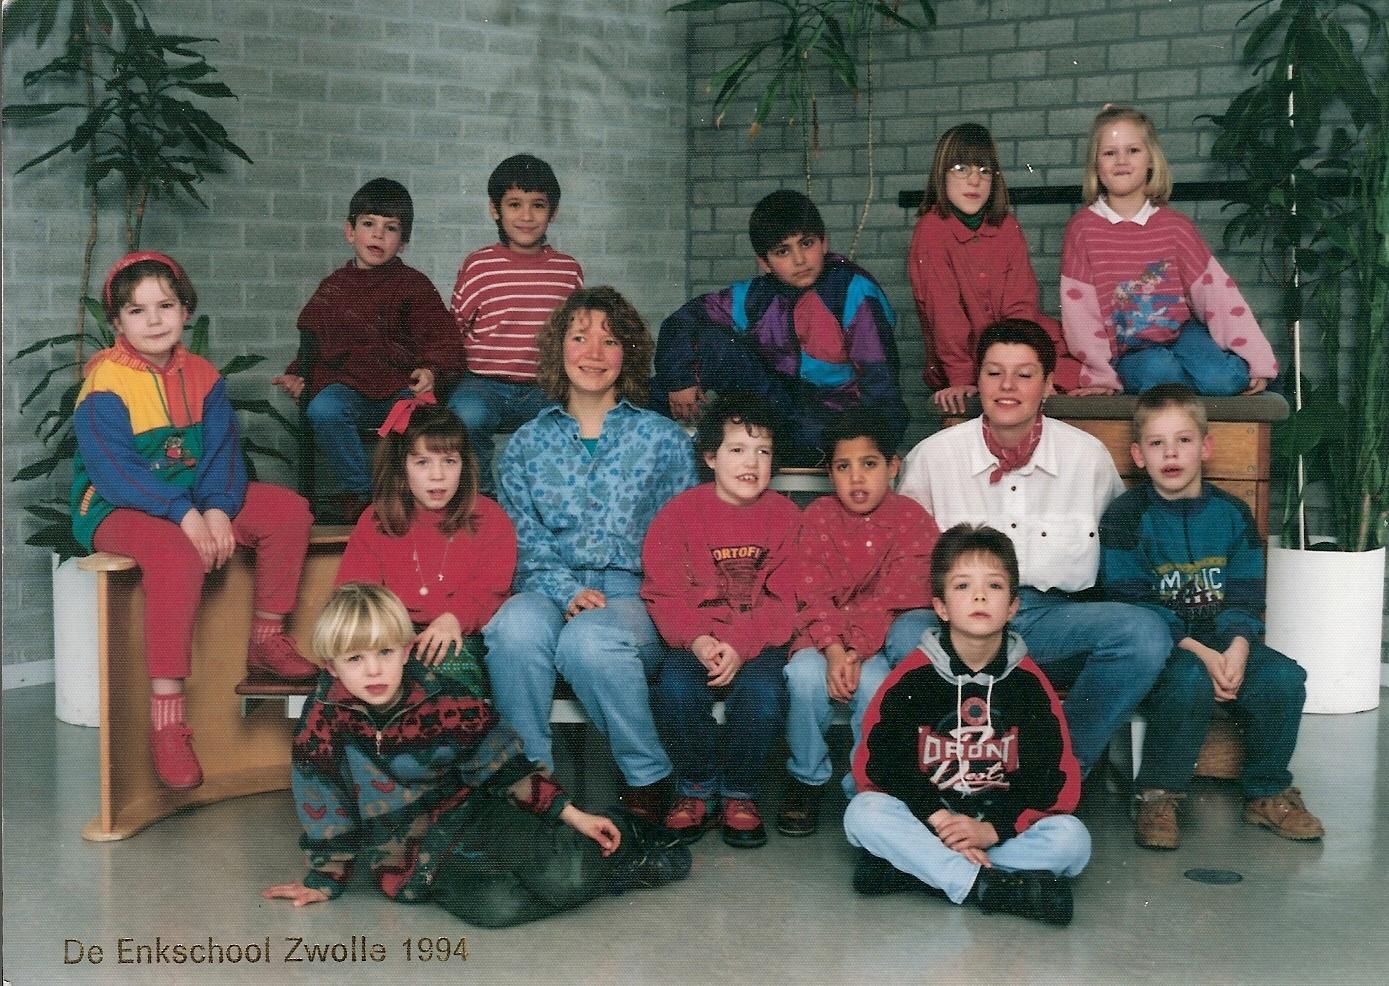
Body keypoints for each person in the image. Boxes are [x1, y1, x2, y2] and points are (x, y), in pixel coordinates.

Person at [260, 583, 691, 928]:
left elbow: (504, 765)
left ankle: (625, 847)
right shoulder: (320, 728)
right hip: (416, 860)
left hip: (480, 815)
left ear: (406, 650)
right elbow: (324, 809)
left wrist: (571, 814)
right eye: (355, 658)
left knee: (562, 875)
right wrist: (324, 879)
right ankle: (581, 867)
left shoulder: (443, 701)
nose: (374, 671)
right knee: (497, 908)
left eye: (385, 653)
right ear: (333, 667)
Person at [72, 251, 315, 790]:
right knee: (175, 553)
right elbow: (115, 473)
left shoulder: (204, 376)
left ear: (186, 312)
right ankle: (168, 719)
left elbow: (222, 457)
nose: (154, 320)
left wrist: (216, 508)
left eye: (166, 305)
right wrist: (184, 514)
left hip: (189, 501)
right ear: (117, 323)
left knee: (288, 511)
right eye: (137, 311)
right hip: (116, 505)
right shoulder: (104, 383)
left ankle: (267, 637)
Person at [890, 318, 1170, 775]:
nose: (1007, 387)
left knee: (1144, 634)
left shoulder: (1087, 457)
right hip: (959, 620)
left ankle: (1054, 768)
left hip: (1052, 619)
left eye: (1024, 374)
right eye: (994, 372)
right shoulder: (933, 457)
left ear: (1047, 385)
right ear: (976, 380)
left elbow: (1124, 556)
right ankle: (963, 768)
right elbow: (902, 558)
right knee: (905, 636)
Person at [486, 286, 698, 822]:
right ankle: (533, 785)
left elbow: (682, 537)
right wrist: (566, 591)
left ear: (628, 353)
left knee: (588, 642)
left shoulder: (664, 439)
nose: (594, 354)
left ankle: (647, 780)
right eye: (580, 339)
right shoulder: (525, 445)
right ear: (560, 350)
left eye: (609, 341)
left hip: (633, 594)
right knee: (512, 632)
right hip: (543, 586)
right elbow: (522, 537)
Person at [1099, 384, 1324, 849]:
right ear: (1139, 456)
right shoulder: (1125, 516)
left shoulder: (1232, 514)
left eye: (1183, 440)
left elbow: (1245, 590)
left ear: (1206, 447)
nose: (1171, 453)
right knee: (1189, 680)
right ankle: (1157, 794)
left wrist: (1239, 646)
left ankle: (1268, 791)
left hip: (1228, 641)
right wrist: (1201, 652)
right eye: (1157, 444)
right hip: (1168, 649)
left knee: (1284, 678)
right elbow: (1130, 597)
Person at [845, 525, 1089, 926]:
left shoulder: (1029, 685)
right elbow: (879, 764)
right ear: (940, 606)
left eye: (993, 585)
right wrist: (938, 820)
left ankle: (918, 872)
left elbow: (1053, 778)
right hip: (929, 824)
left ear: (1012, 606)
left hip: (992, 832)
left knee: (1074, 842)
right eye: (962, 586)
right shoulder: (912, 678)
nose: (978, 596)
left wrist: (992, 830)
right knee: (862, 813)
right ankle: (987, 885)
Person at [642, 395, 800, 848]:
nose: (751, 462)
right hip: (694, 642)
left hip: (757, 641)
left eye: (763, 452)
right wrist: (697, 640)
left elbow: (787, 599)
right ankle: (695, 785)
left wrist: (740, 643)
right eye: (737, 450)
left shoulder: (786, 519)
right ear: (710, 457)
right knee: (672, 691)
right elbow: (663, 593)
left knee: (765, 695)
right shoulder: (678, 517)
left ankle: (739, 790)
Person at [653, 189, 908, 465]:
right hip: (779, 409)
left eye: (806, 244)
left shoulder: (852, 292)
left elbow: (880, 383)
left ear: (824, 243)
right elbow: (681, 322)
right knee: (711, 344)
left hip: (834, 423)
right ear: (764, 262)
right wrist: (680, 380)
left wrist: (874, 451)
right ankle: (642, 440)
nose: (799, 260)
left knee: (827, 432)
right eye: (783, 251)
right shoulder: (756, 296)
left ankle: (803, 453)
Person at [779, 407, 939, 837]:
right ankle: (806, 778)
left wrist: (853, 652)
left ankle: (865, 789)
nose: (856, 479)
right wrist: (833, 650)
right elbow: (811, 592)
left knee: (876, 687)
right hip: (820, 638)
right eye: (843, 467)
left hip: (879, 640)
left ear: (892, 466)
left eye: (869, 465)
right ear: (829, 473)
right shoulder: (818, 517)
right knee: (804, 678)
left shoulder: (912, 520)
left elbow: (898, 598)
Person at [272, 177, 463, 521]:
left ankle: (409, 498)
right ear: (350, 231)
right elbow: (312, 341)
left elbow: (442, 337)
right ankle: (359, 495)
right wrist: (297, 375)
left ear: (402, 242)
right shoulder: (334, 288)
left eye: (390, 228)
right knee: (323, 409)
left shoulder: (413, 285)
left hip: (399, 390)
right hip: (351, 390)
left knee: (421, 420)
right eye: (369, 225)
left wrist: (431, 370)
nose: (378, 235)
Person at [1060, 105, 1278, 396]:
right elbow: (1079, 313)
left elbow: (1217, 294)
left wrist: (1257, 360)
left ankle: (1213, 377)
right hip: (1130, 350)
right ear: (1096, 165)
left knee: (1222, 378)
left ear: (1151, 159)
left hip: (1183, 334)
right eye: (1109, 153)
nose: (1121, 161)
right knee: (1161, 372)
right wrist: (1100, 375)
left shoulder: (1175, 226)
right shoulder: (1083, 228)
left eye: (1133, 151)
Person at [334, 397, 516, 690]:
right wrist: (387, 644)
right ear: (402, 469)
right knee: (342, 684)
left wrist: (453, 617)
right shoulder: (376, 519)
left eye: (449, 461)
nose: (438, 475)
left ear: (464, 465)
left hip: (462, 635)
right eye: (422, 462)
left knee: (439, 678)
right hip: (388, 639)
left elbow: (490, 590)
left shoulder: (490, 518)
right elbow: (355, 593)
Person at [908, 122, 1084, 414]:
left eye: (984, 171)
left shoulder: (1006, 226)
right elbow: (946, 319)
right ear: (941, 174)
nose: (974, 181)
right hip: (964, 360)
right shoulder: (931, 231)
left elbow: (1022, 307)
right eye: (961, 169)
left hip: (1015, 344)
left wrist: (1024, 366)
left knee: (1084, 362)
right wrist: (962, 379)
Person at [448, 154, 584, 494]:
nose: (526, 216)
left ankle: (539, 499)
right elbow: (455, 328)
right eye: (514, 204)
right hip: (482, 383)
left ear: (552, 213)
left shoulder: (567, 270)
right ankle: (484, 498)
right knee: (465, 417)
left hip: (543, 385)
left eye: (537, 205)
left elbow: (578, 334)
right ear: (495, 210)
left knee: (566, 427)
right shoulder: (479, 265)